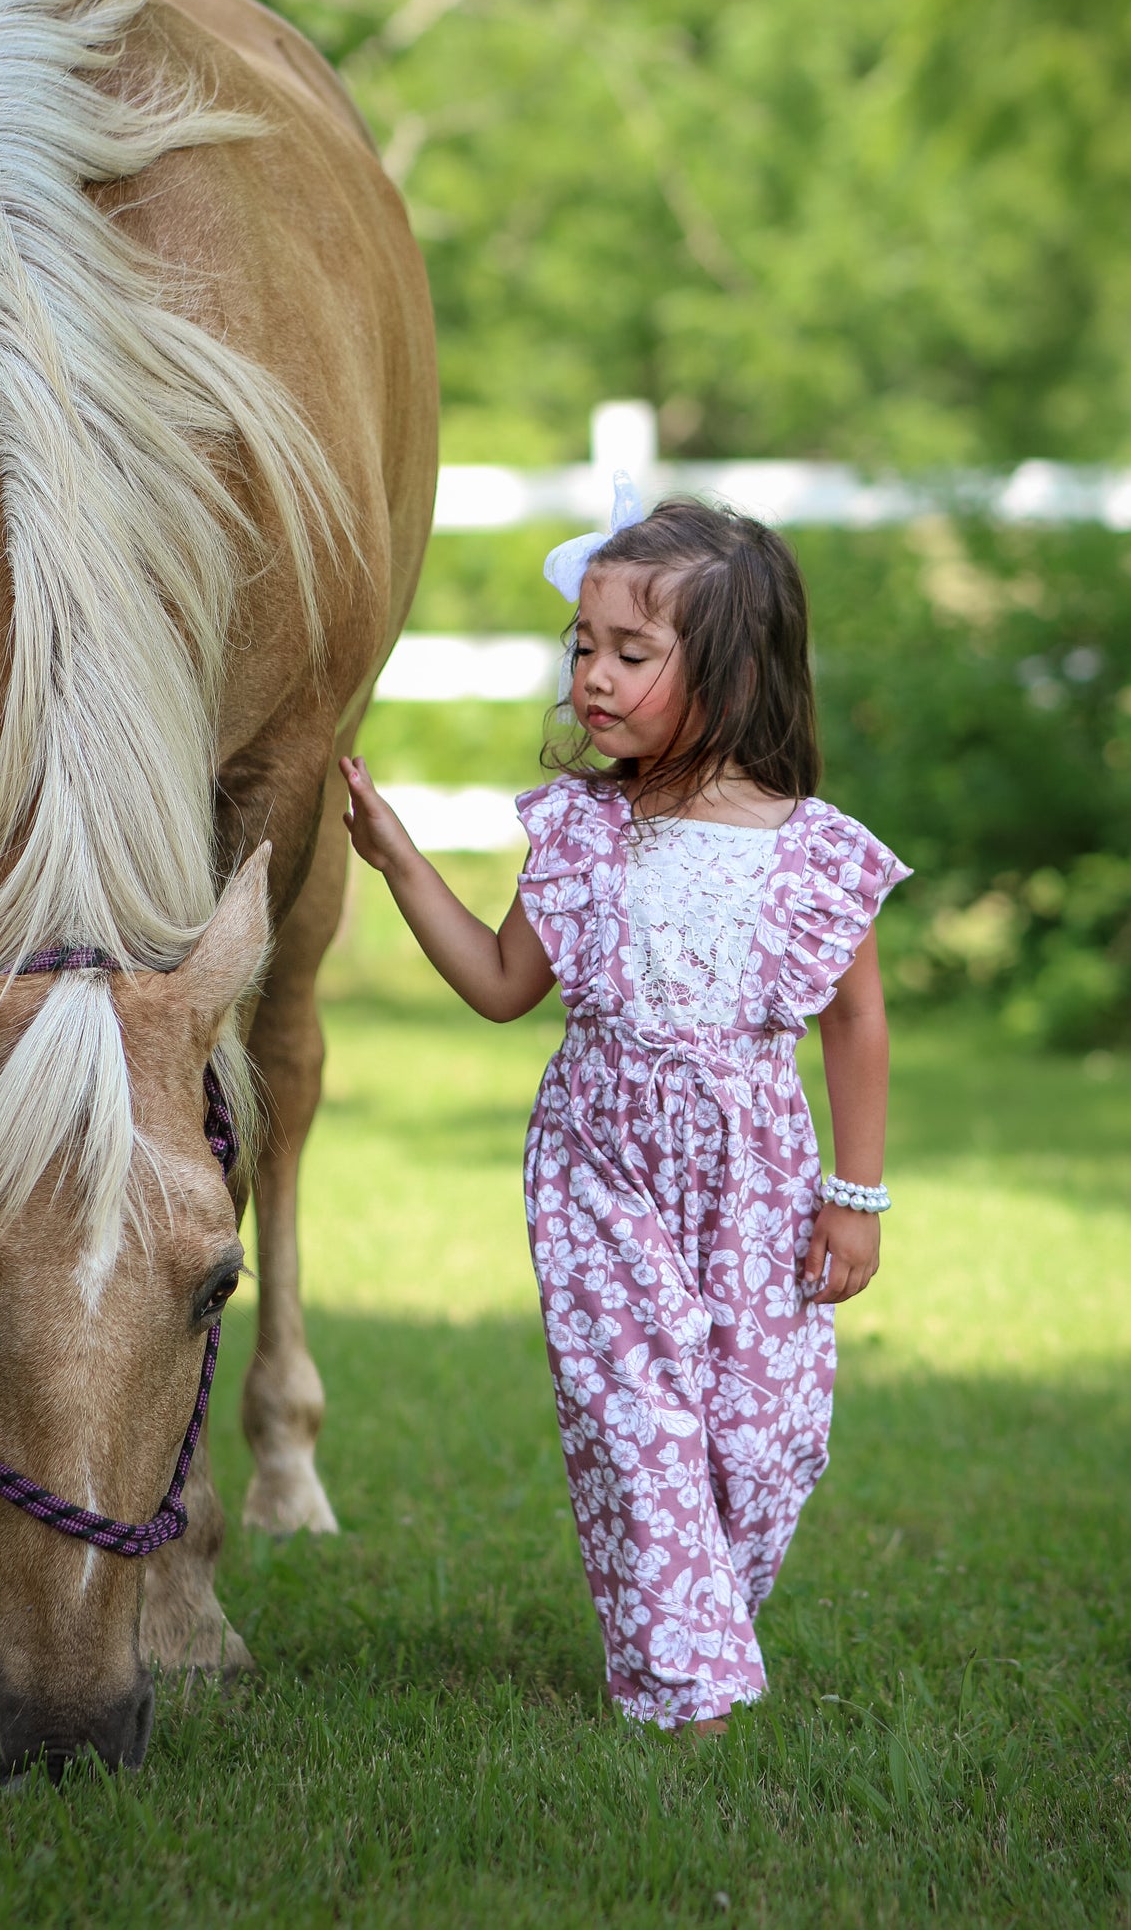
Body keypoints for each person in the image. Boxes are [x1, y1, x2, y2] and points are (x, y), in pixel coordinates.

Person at [340, 492, 911, 1733]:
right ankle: (683, 1687)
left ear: (733, 670)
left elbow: (853, 1021)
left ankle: (696, 1622)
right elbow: (501, 985)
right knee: (636, 1419)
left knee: (763, 1444)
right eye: (580, 647)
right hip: (600, 1165)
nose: (591, 675)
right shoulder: (584, 835)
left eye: (629, 652)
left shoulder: (812, 854)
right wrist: (397, 860)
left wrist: (854, 1198)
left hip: (755, 1173)